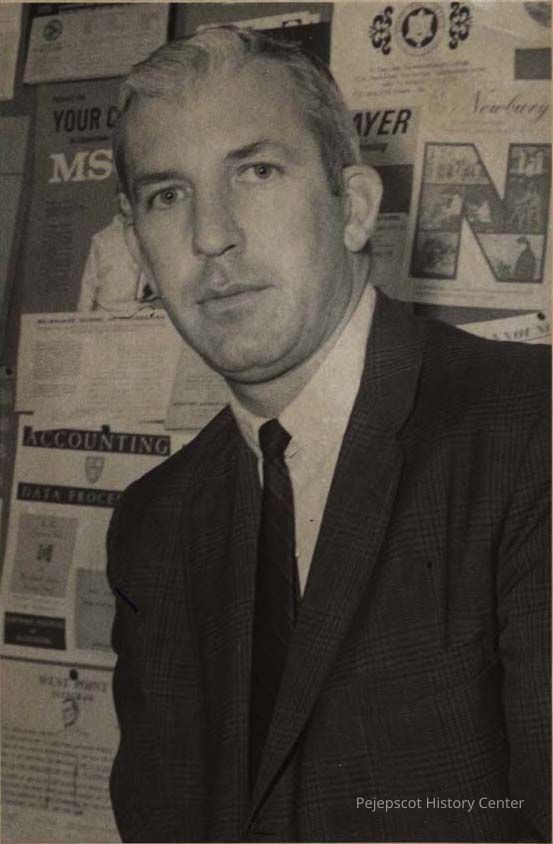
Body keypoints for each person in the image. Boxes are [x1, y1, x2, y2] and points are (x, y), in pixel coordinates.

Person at [107, 26, 550, 843]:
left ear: (354, 208)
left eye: (256, 172)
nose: (211, 235)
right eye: (168, 195)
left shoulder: (530, 430)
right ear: (137, 248)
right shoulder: (153, 523)